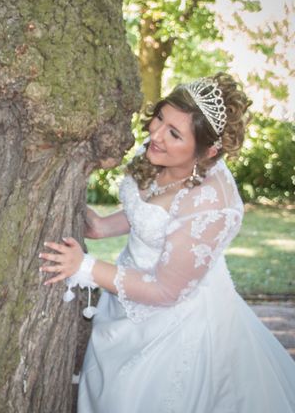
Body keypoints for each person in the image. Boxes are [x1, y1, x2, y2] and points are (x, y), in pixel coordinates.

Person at [40, 73, 295, 412]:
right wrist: (103, 226)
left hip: (173, 324)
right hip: (129, 295)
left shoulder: (210, 204)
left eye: (174, 133)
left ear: (207, 151)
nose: (155, 135)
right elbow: (151, 213)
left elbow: (165, 290)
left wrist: (86, 267)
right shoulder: (163, 153)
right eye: (160, 117)